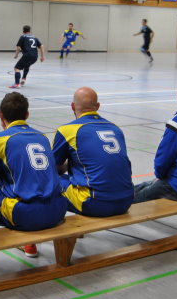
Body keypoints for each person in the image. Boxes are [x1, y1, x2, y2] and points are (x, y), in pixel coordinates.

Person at [0, 93, 68, 267]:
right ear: (27, 114)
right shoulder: (42, 137)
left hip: (25, 215)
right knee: (26, 182)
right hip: (58, 211)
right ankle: (28, 244)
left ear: (0, 115)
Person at [52, 87, 133, 217]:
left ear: (72, 106)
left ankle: (59, 228)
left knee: (51, 181)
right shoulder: (116, 129)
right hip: (126, 200)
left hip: (95, 203)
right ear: (98, 106)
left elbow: (52, 169)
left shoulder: (67, 130)